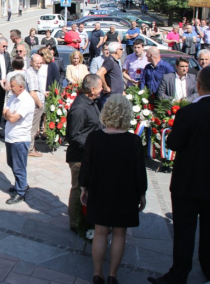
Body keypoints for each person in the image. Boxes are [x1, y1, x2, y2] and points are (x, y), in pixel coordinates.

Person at [148, 67, 210, 284]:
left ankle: (179, 274)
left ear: (198, 86)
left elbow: (173, 143)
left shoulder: (187, 113)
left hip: (188, 182)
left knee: (184, 231)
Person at [79, 95, 147, 284]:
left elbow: (87, 166)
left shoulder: (94, 138)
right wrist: (142, 193)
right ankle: (112, 276)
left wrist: (84, 187)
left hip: (100, 190)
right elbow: (139, 172)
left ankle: (97, 273)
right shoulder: (133, 141)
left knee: (100, 232)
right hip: (125, 192)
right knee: (119, 234)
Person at [65, 74, 102, 233]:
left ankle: (84, 217)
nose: (103, 89)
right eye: (100, 87)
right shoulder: (80, 108)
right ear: (92, 89)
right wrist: (92, 147)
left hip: (88, 153)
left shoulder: (90, 102)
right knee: (78, 188)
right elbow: (74, 136)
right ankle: (74, 222)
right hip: (80, 156)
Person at [3, 74, 34, 204]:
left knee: (19, 167)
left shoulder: (26, 100)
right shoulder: (14, 97)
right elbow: (4, 112)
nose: (10, 88)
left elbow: (11, 118)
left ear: (21, 87)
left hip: (20, 139)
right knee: (12, 163)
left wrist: (9, 114)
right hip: (10, 137)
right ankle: (22, 184)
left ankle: (20, 192)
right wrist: (9, 114)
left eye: (13, 86)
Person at [25, 54, 45, 157]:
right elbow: (32, 92)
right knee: (33, 128)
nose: (39, 65)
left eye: (41, 63)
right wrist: (40, 104)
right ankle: (30, 149)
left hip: (36, 104)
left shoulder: (33, 72)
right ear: (31, 62)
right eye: (37, 63)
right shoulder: (32, 74)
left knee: (33, 127)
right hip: (35, 105)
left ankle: (31, 146)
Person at [97, 42, 124, 109]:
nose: (122, 51)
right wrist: (105, 87)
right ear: (117, 51)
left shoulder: (114, 61)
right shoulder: (110, 61)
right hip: (111, 98)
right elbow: (99, 74)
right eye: (121, 49)